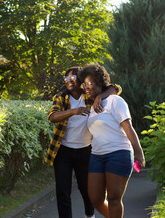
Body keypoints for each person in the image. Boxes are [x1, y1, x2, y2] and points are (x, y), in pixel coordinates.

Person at [45, 66, 121, 218]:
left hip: (85, 151)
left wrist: (100, 97)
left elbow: (116, 88)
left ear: (80, 79)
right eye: (66, 78)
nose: (69, 81)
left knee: (87, 190)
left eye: (73, 77)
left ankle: (89, 215)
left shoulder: (89, 95)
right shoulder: (60, 97)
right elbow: (52, 117)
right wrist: (73, 111)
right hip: (63, 151)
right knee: (63, 192)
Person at [78, 64, 145, 218]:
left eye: (90, 84)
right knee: (95, 198)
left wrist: (139, 153)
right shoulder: (92, 105)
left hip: (118, 153)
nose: (86, 88)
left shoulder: (115, 101)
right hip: (97, 155)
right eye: (84, 85)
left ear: (100, 83)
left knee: (114, 199)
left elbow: (128, 128)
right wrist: (99, 96)